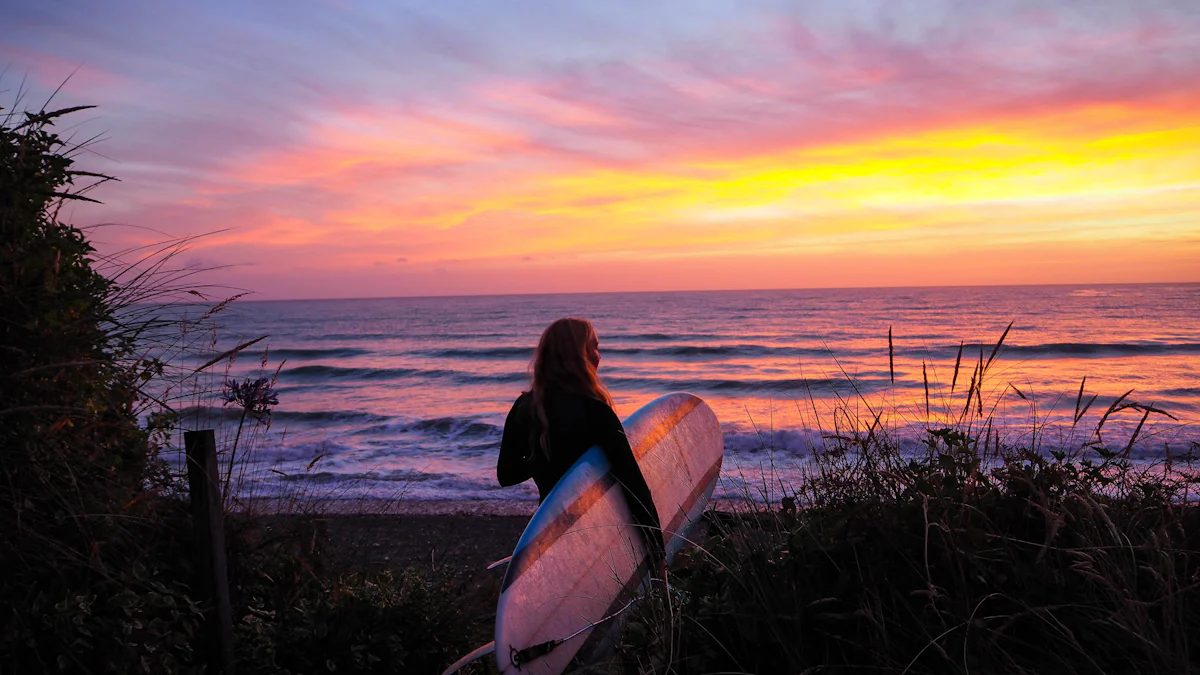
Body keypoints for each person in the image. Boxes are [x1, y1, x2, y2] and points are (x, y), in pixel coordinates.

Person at [497, 317, 666, 568]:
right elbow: (633, 485)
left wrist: (543, 458)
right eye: (594, 347)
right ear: (579, 356)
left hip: (550, 531)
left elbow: (506, 475)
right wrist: (657, 551)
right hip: (600, 529)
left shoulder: (523, 407)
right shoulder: (595, 411)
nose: (599, 356)